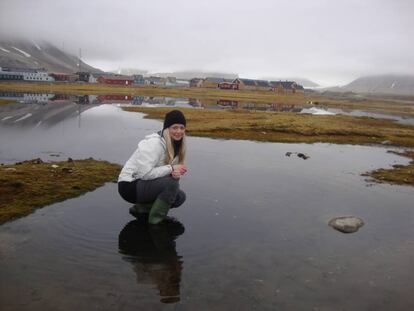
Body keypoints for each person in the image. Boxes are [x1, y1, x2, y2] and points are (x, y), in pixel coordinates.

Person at [118, 110, 188, 224]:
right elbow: (144, 174)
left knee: (180, 197)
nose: (179, 131)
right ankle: (155, 221)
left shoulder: (176, 145)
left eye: (182, 128)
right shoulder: (154, 144)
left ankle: (142, 209)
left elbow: (163, 172)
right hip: (129, 185)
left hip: (143, 183)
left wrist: (173, 174)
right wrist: (171, 169)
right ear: (167, 129)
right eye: (174, 127)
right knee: (171, 184)